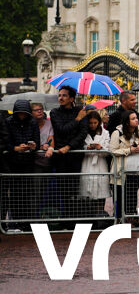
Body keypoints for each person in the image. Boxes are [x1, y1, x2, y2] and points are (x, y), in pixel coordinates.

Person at [49, 86, 86, 218]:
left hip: (74, 155)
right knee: (62, 189)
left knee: (74, 188)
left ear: (71, 98)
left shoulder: (80, 111)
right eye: (59, 95)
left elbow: (82, 133)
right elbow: (61, 129)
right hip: (60, 156)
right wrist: (77, 120)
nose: (61, 98)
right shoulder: (54, 112)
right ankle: (64, 218)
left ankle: (74, 218)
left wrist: (69, 146)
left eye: (64, 95)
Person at [108, 110, 139, 222]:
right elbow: (112, 150)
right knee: (120, 195)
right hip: (122, 170)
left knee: (132, 195)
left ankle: (131, 218)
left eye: (136, 118)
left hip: (137, 168)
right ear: (127, 122)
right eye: (133, 118)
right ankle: (119, 218)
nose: (137, 120)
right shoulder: (117, 133)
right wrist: (129, 150)